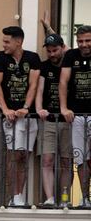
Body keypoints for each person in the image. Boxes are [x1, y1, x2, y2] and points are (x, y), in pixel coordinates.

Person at [0, 26, 40, 206]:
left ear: (18, 41)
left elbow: (33, 84)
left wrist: (26, 107)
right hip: (10, 116)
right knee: (13, 154)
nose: (3, 44)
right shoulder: (0, 58)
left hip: (28, 115)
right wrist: (5, 109)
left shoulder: (32, 58)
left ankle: (20, 194)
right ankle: (15, 195)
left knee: (24, 155)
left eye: (7, 41)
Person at [36, 33, 71, 205]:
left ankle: (64, 199)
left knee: (66, 161)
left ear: (63, 47)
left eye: (55, 50)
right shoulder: (44, 67)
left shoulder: (70, 62)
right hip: (48, 119)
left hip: (68, 120)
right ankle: (49, 198)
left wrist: (49, 28)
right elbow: (40, 90)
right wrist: (38, 109)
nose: (52, 54)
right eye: (49, 51)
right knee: (47, 159)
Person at [59, 25, 91, 207]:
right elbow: (63, 82)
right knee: (81, 158)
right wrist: (64, 108)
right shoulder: (71, 56)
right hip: (77, 115)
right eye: (80, 41)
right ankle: (85, 197)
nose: (84, 44)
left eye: (87, 40)